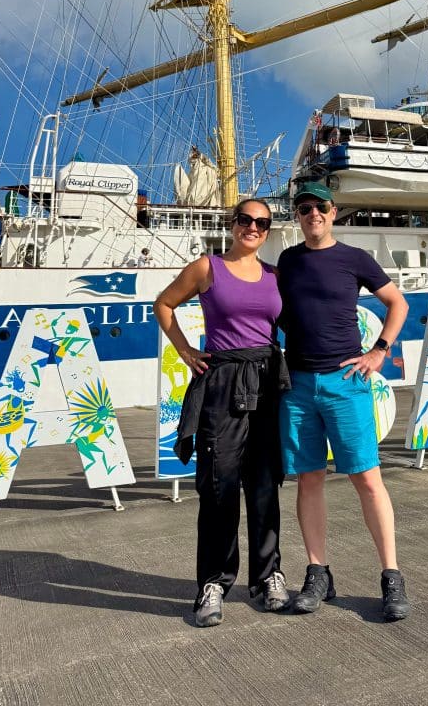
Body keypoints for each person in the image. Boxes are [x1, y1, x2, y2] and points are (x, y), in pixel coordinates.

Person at [277, 181, 411, 622]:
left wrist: (380, 350)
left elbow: (397, 302)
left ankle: (391, 576)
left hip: (345, 381)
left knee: (367, 478)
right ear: (297, 216)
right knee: (308, 479)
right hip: (297, 385)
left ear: (333, 212)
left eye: (319, 207)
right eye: (303, 208)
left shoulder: (354, 259)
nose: (312, 214)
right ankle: (318, 573)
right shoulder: (288, 260)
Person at [153, 199, 291, 627]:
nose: (253, 227)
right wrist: (185, 349)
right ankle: (213, 582)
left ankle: (267, 577)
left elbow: (297, 324)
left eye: (262, 223)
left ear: (268, 230)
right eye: (246, 220)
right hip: (223, 382)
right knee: (218, 487)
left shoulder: (275, 276)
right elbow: (164, 304)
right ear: (233, 224)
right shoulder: (206, 267)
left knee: (266, 486)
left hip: (267, 382)